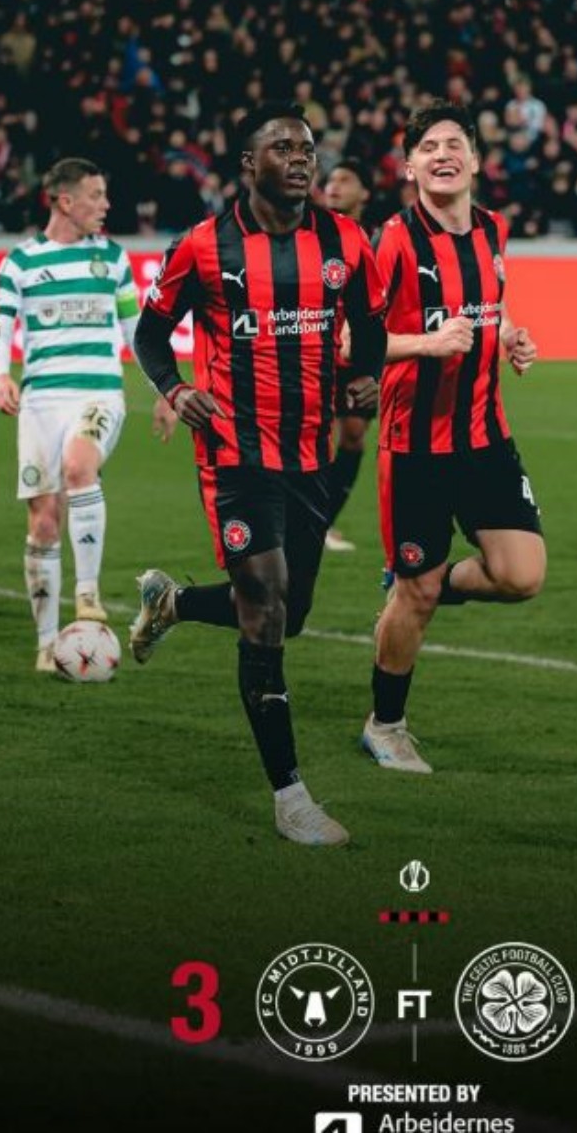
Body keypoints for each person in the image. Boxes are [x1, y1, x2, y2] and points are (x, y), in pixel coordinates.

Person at [129, 103, 387, 847]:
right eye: (283, 147)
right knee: (267, 605)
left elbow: (369, 325)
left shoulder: (345, 241)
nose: (302, 159)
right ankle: (291, 796)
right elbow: (150, 332)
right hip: (236, 453)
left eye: (307, 148)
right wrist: (176, 391)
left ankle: (172, 604)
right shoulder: (204, 247)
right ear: (250, 164)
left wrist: (365, 376)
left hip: (312, 455)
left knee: (289, 612)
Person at [363, 99, 546, 775]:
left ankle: (417, 584)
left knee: (522, 576)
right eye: (429, 147)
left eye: (455, 144)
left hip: (486, 437)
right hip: (415, 447)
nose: (443, 154)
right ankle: (385, 725)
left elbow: (489, 309)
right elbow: (352, 340)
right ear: (410, 167)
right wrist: (424, 343)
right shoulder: (392, 241)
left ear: (474, 159)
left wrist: (512, 339)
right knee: (418, 594)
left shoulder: (494, 230)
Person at [0, 157, 172, 671]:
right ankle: (48, 645)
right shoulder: (20, 263)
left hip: (98, 393)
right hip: (41, 400)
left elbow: (138, 333)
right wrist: (1, 375)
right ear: (65, 201)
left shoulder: (112, 260)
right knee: (44, 523)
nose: (106, 205)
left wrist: (164, 388)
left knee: (78, 467)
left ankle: (88, 592)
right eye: (96, 195)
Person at [322, 158, 375, 553]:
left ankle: (325, 521)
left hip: (357, 353)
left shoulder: (377, 239)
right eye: (330, 180)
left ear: (365, 193)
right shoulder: (313, 233)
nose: (334, 186)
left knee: (353, 436)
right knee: (319, 436)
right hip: (318, 348)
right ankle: (304, 519)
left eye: (345, 180)